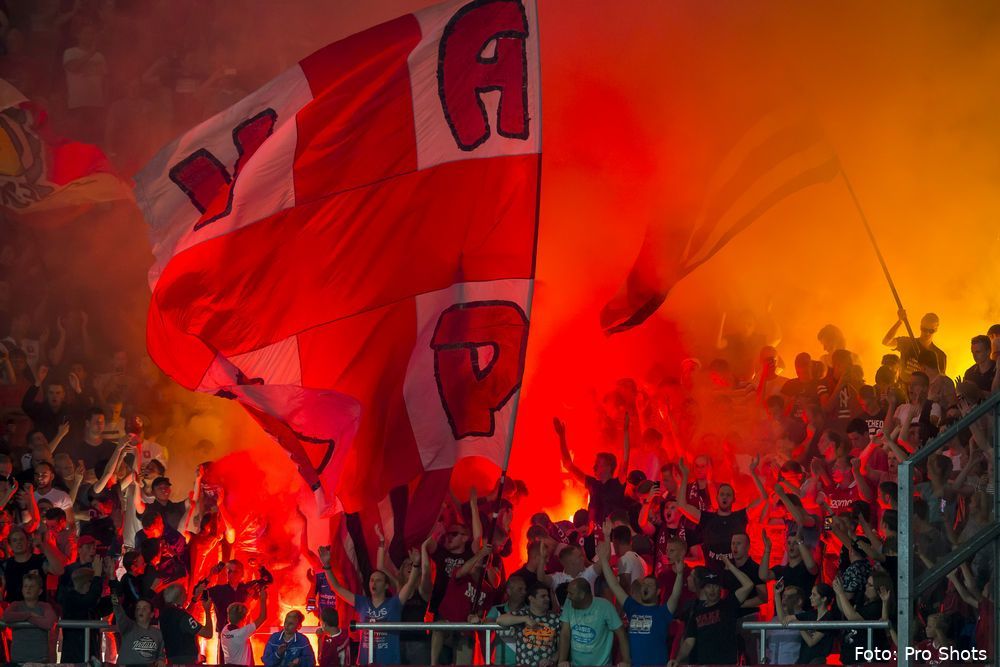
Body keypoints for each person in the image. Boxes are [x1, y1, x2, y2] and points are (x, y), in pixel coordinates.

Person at [321, 544, 419, 665]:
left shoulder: (395, 603)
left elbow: (409, 585)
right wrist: (326, 566)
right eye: (372, 580)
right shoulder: (362, 602)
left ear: (386, 585)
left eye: (378, 580)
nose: (374, 583)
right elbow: (337, 588)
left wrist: (416, 565)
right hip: (365, 661)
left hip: (389, 662)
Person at [597, 537, 681, 666]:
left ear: (658, 591)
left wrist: (680, 574)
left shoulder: (663, 611)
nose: (645, 587)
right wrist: (603, 560)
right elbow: (614, 585)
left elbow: (675, 594)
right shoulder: (632, 607)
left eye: (650, 585)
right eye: (644, 584)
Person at [676, 457, 762, 568]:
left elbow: (763, 499)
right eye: (722, 494)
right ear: (717, 498)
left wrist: (753, 472)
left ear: (734, 499)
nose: (725, 497)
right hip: (712, 576)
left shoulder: (740, 516)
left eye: (728, 495)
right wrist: (685, 476)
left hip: (734, 575)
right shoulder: (707, 518)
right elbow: (682, 506)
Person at [668, 559, 756, 666]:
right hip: (703, 664)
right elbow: (689, 642)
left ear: (720, 588)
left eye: (715, 586)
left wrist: (731, 566)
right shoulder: (696, 611)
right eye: (709, 586)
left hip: (726, 664)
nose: (712, 590)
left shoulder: (729, 604)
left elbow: (749, 585)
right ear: (703, 589)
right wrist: (677, 660)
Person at [555, 413, 630, 524]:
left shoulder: (618, 483)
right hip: (595, 536)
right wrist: (561, 437)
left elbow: (625, 459)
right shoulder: (593, 484)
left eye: (598, 464)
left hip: (613, 536)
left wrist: (625, 431)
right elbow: (568, 465)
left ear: (608, 466)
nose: (594, 467)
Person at [557, 577, 631, 667]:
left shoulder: (605, 606)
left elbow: (621, 634)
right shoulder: (569, 603)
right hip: (575, 664)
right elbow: (565, 634)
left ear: (582, 595)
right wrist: (562, 661)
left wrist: (626, 661)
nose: (568, 596)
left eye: (571, 593)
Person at [57, 556, 112, 663]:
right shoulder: (70, 599)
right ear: (88, 584)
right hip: (73, 659)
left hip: (91, 657)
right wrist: (97, 577)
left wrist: (112, 579)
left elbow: (115, 603)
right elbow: (88, 601)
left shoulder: (94, 602)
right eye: (94, 584)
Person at [496, 582, 562, 667]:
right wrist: (525, 619)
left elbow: (562, 647)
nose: (548, 599)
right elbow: (500, 619)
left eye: (547, 596)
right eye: (543, 596)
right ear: (531, 598)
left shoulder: (555, 618)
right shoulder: (522, 614)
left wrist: (552, 661)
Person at [2, 572, 57, 663]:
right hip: (18, 659)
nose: (28, 589)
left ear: (39, 591)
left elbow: (49, 623)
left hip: (40, 659)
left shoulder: (44, 606)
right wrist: (29, 614)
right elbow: (6, 616)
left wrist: (26, 617)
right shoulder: (16, 605)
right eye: (26, 586)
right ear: (22, 589)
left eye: (32, 586)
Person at [2, 526, 65, 601]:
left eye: (21, 539)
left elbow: (59, 571)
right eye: (15, 540)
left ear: (28, 542)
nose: (19, 542)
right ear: (10, 545)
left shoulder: (39, 560)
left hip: (38, 609)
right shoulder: (5, 565)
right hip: (14, 609)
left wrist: (43, 546)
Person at [160, 582, 214, 664]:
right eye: (185, 593)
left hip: (172, 658)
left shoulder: (165, 613)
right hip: (186, 660)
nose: (186, 595)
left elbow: (183, 619)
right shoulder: (182, 616)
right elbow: (208, 633)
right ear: (180, 596)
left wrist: (194, 599)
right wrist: (207, 610)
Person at [882, 310, 946, 379]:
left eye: (931, 331)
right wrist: (899, 321)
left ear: (936, 329)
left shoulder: (940, 356)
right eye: (924, 329)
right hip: (903, 388)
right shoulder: (908, 343)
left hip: (923, 389)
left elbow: (940, 382)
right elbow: (886, 342)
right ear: (920, 326)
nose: (927, 333)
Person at [113, 592, 167, 666]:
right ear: (135, 613)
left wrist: (161, 660)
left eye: (145, 608)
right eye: (138, 608)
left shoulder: (157, 633)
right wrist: (113, 591)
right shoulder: (128, 626)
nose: (141, 611)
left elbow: (161, 654)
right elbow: (117, 609)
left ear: (151, 614)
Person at [220, 587, 268, 666]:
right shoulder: (241, 634)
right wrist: (263, 599)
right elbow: (263, 617)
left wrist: (250, 597)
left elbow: (237, 613)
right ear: (243, 619)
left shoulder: (225, 630)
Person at [487, 575, 528, 665]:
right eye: (520, 589)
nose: (524, 592)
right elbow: (487, 624)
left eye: (525, 589)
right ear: (509, 591)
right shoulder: (496, 610)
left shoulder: (530, 611)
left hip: (525, 663)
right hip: (501, 663)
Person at [795, 584, 839, 664]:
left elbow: (811, 642)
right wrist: (777, 595)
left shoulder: (828, 618)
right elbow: (784, 619)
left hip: (816, 662)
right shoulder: (812, 614)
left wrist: (799, 625)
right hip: (803, 661)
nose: (810, 597)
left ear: (824, 599)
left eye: (814, 595)